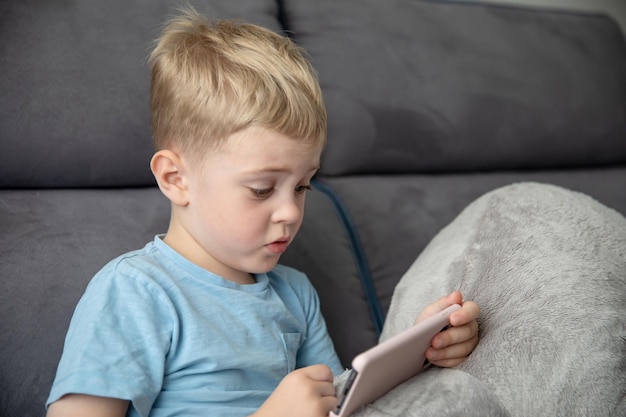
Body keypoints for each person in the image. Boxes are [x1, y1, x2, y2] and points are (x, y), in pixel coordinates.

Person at [45, 8, 479, 417]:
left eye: (303, 186)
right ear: (176, 179)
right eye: (262, 189)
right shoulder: (136, 292)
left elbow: (335, 402)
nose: (290, 211)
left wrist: (416, 356)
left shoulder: (294, 293)